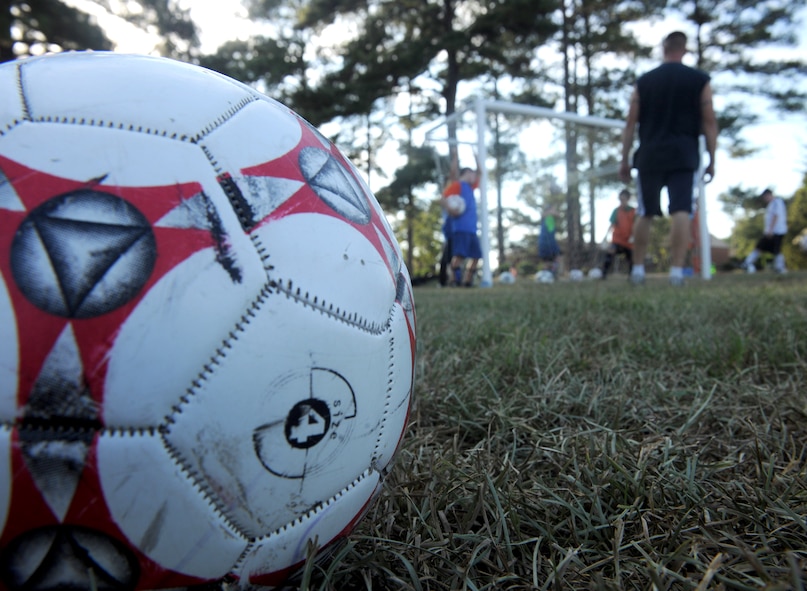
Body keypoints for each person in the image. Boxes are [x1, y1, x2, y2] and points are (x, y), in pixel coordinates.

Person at [619, 31, 718, 286]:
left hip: (650, 155)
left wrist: (624, 158)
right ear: (684, 49)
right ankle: (676, 273)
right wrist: (712, 158)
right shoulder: (699, 80)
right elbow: (709, 122)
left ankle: (638, 271)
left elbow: (630, 123)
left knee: (645, 212)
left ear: (664, 49)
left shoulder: (645, 81)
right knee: (681, 210)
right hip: (684, 155)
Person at [443, 157, 481, 287]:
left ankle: (467, 280)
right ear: (467, 173)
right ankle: (453, 280)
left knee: (476, 256)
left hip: (472, 228)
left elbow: (480, 172)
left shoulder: (471, 187)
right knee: (459, 256)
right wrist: (451, 209)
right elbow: (443, 199)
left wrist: (475, 156)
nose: (475, 176)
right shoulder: (457, 185)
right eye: (472, 174)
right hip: (461, 227)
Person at [742, 188, 788, 273]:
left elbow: (776, 216)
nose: (765, 199)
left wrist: (770, 230)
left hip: (776, 231)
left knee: (775, 249)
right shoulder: (771, 204)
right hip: (771, 231)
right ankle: (747, 263)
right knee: (762, 247)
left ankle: (780, 268)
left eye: (765, 197)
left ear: (769, 195)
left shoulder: (776, 202)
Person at [601, 189, 636, 279]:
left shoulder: (633, 211)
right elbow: (612, 224)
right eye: (620, 200)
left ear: (628, 199)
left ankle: (632, 276)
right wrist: (605, 237)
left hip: (628, 241)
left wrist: (634, 236)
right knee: (610, 253)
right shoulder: (616, 211)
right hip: (617, 240)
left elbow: (637, 225)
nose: (621, 202)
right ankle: (603, 274)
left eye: (623, 199)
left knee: (632, 258)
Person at [538, 205, 561, 275]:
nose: (555, 211)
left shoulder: (544, 219)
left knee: (547, 261)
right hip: (549, 243)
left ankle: (547, 275)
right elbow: (550, 232)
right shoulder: (550, 218)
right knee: (556, 259)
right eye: (554, 210)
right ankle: (552, 274)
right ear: (549, 211)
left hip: (542, 242)